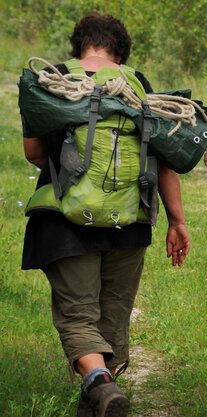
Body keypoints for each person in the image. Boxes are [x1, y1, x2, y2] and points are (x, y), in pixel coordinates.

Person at [20, 12, 190, 417]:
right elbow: (164, 160)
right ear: (121, 49)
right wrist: (177, 222)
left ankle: (97, 382)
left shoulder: (56, 77)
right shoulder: (138, 84)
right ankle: (102, 393)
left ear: (79, 44)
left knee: (78, 315)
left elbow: (32, 152)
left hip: (65, 220)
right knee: (112, 316)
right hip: (129, 220)